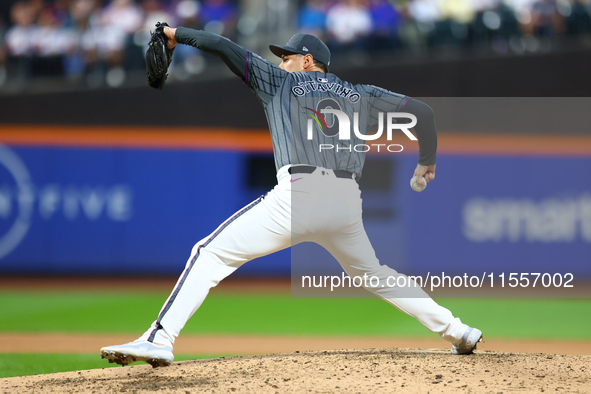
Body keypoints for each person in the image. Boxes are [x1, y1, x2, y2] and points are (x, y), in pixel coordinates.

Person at [100, 25, 483, 368]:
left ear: (308, 60)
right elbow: (423, 113)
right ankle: (459, 331)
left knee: (210, 253)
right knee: (376, 275)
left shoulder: (280, 83)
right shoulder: (360, 94)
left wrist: (173, 33)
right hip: (347, 202)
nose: (281, 62)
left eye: (287, 57)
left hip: (301, 195)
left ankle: (159, 339)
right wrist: (426, 163)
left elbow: (220, 44)